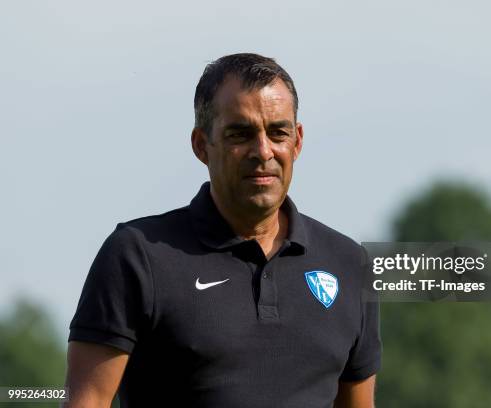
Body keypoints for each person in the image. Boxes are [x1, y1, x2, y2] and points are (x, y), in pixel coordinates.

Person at [64, 53, 381, 408]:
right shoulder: (138, 256)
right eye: (240, 134)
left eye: (278, 132)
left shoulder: (349, 264)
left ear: (298, 140)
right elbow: (86, 401)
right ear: (202, 145)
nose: (263, 151)